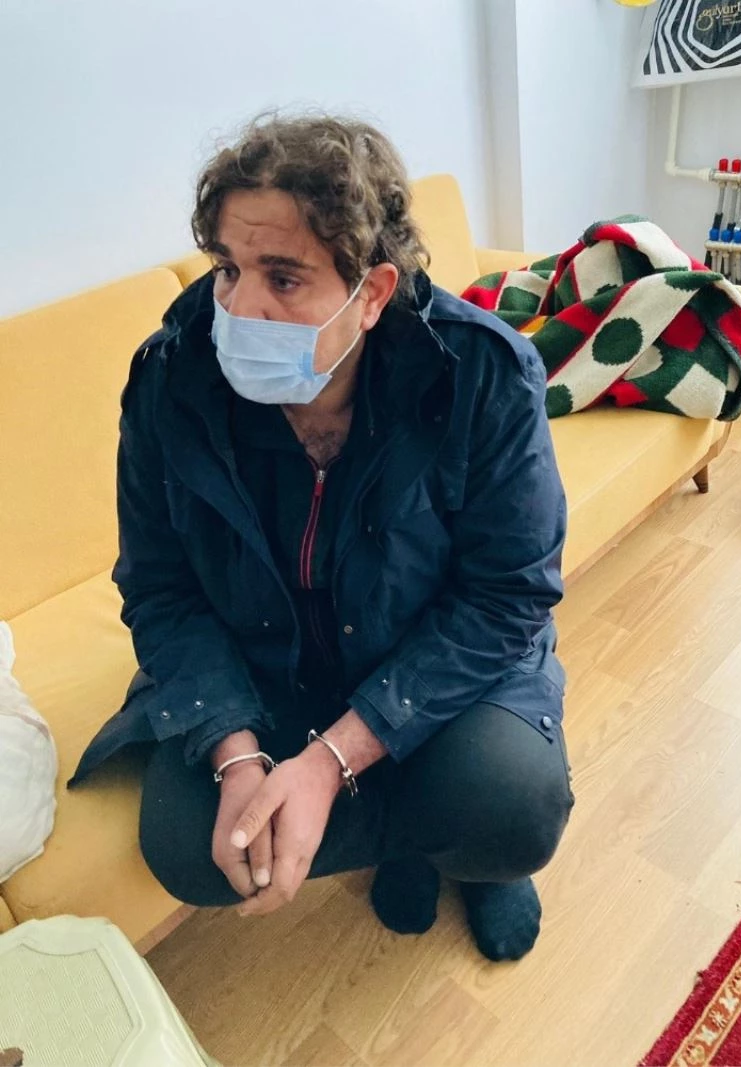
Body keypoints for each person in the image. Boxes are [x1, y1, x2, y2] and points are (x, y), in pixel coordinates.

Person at [69, 113, 574, 962]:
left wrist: (331, 759)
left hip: (428, 663)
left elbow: (507, 593)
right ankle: (418, 825)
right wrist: (238, 756)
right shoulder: (170, 384)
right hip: (269, 667)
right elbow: (160, 587)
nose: (240, 306)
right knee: (186, 844)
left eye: (284, 277)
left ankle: (450, 845)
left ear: (371, 293)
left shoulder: (479, 376)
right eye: (228, 269)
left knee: (511, 806)